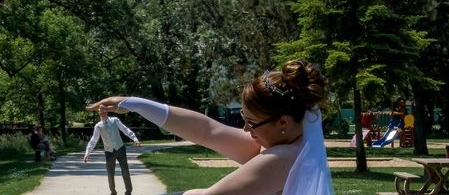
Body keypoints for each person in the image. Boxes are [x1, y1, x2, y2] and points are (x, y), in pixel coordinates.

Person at [87, 59, 333, 195]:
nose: (246, 130)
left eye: (252, 122)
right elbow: (207, 130)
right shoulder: (289, 144)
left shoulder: (284, 158)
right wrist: (136, 104)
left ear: (283, 122)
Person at [83, 108, 142, 195]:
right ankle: (113, 192)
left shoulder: (115, 120)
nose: (102, 112)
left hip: (120, 148)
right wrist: (87, 153)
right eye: (100, 110)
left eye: (103, 110)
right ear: (99, 113)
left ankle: (128, 191)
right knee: (110, 173)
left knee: (125, 171)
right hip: (109, 151)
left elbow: (125, 129)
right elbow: (93, 140)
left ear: (107, 111)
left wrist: (135, 139)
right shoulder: (98, 126)